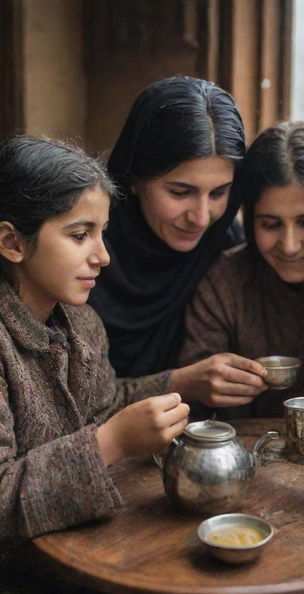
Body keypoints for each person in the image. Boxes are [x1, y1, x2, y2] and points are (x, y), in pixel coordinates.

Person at [0, 136, 191, 594]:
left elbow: (104, 405)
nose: (103, 257)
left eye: (102, 233)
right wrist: (112, 443)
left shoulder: (79, 322)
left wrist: (183, 381)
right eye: (80, 235)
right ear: (12, 242)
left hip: (67, 559)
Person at [89, 76, 274, 412]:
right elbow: (63, 401)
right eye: (180, 192)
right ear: (134, 178)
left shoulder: (227, 247)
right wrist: (180, 384)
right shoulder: (85, 249)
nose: (201, 218)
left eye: (218, 193)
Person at [178, 121, 304, 417]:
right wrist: (208, 385)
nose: (288, 246)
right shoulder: (225, 282)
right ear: (249, 220)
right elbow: (195, 403)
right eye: (270, 224)